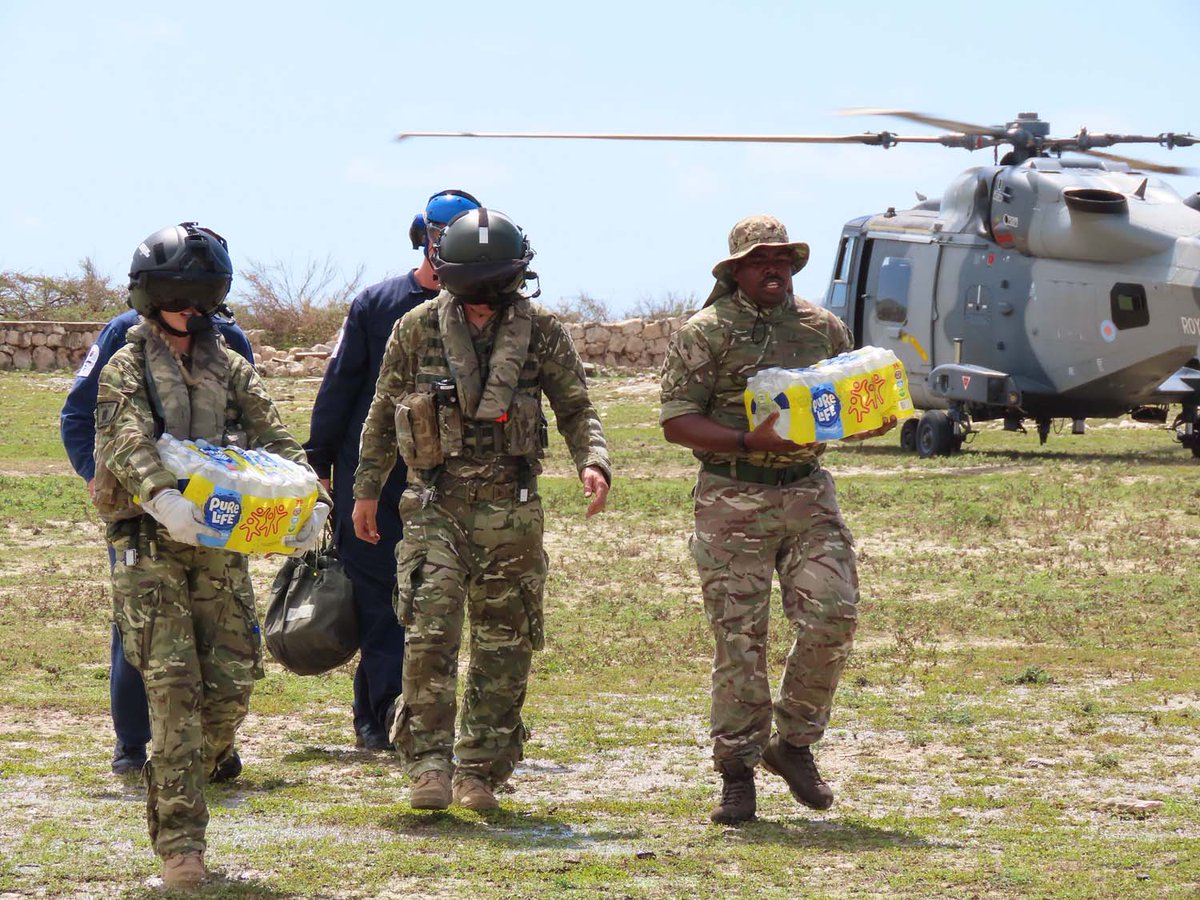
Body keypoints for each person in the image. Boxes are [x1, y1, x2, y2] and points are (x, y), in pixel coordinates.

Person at [92, 222, 331, 887]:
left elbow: (277, 440)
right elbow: (125, 441)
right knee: (171, 687)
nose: (191, 313)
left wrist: (309, 501)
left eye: (202, 301)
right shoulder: (126, 363)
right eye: (180, 299)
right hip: (150, 544)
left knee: (230, 685)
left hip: (220, 549)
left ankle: (180, 775)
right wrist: (164, 500)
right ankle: (182, 849)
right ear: (153, 297)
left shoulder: (229, 365)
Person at [352, 208, 610, 811]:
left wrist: (592, 460)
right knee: (429, 635)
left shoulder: (541, 330)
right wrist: (366, 490)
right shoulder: (416, 328)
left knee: (505, 642)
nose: (485, 305)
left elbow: (575, 406)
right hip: (433, 507)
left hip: (511, 512)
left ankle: (480, 771)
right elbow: (383, 411)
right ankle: (429, 766)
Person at [659, 215, 895, 825]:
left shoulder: (823, 327)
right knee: (740, 640)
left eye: (786, 260)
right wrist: (745, 440)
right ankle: (736, 774)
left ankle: (792, 747)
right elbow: (676, 421)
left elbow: (851, 398)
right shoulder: (704, 332)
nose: (776, 270)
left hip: (808, 495)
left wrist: (871, 417)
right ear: (736, 268)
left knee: (833, 614)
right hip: (731, 497)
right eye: (763, 261)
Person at [304, 189, 481, 751]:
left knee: (431, 604)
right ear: (423, 236)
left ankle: (417, 717)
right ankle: (380, 719)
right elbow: (341, 385)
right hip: (376, 479)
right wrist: (321, 462)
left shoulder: (486, 309)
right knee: (380, 602)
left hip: (449, 483)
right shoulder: (378, 303)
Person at [62, 305, 254, 779]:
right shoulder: (123, 334)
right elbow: (78, 415)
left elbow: (251, 426)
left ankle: (214, 747)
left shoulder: (229, 340)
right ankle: (133, 742)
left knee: (222, 634)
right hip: (144, 511)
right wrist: (98, 477)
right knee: (141, 632)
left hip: (215, 515)